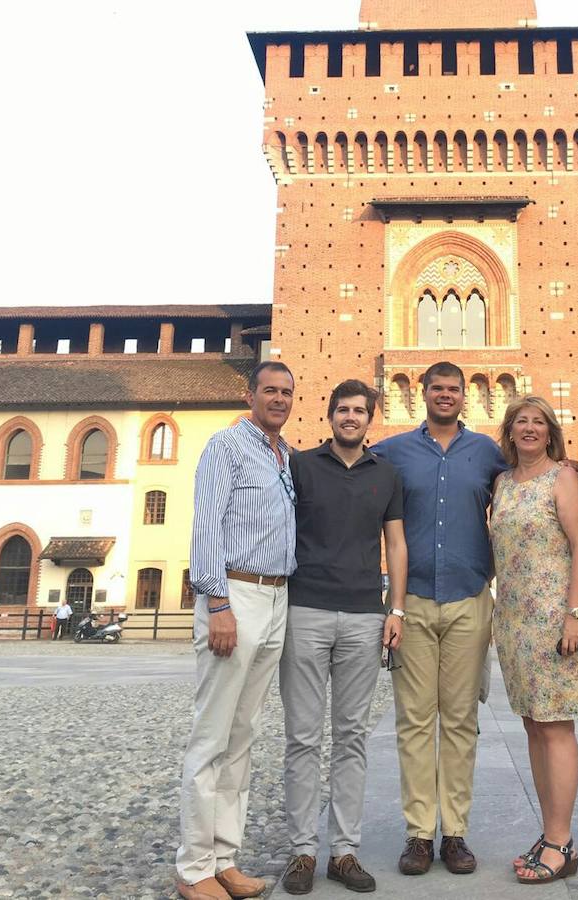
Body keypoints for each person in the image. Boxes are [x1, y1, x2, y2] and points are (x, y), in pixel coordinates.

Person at [370, 361, 507, 876]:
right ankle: (418, 833)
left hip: (470, 598)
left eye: (454, 389)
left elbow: (527, 486)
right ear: (422, 393)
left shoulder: (488, 454)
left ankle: (455, 833)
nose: (445, 395)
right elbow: (350, 473)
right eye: (437, 388)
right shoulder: (394, 451)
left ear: (464, 394)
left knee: (461, 721)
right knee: (413, 720)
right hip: (413, 601)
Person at [278, 379, 408, 896]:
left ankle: (345, 851)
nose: (350, 417)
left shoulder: (388, 474)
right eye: (342, 410)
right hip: (305, 610)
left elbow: (395, 544)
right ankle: (303, 851)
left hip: (362, 617)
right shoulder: (302, 466)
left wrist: (395, 607)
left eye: (359, 410)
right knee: (303, 738)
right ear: (330, 415)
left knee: (351, 737)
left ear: (370, 418)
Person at [176, 361, 298, 900]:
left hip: (276, 596)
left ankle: (225, 857)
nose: (278, 399)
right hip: (235, 592)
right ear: (250, 394)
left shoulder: (285, 456)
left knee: (243, 736)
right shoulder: (225, 447)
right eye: (269, 390)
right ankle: (194, 868)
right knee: (212, 736)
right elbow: (206, 525)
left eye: (286, 392)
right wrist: (217, 601)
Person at [491, 395, 578, 885]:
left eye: (538, 422)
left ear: (551, 433)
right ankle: (550, 830)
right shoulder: (503, 483)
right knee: (534, 726)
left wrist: (576, 615)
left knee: (556, 728)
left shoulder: (564, 478)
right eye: (520, 422)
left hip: (555, 622)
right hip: (513, 622)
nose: (529, 429)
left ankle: (561, 841)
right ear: (509, 433)